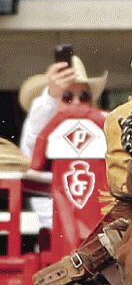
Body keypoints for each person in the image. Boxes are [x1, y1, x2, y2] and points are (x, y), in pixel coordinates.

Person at [19, 55, 107, 229]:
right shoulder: (41, 127)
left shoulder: (102, 127)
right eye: (67, 96)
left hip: (100, 231)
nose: (76, 102)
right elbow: (33, 135)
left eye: (83, 96)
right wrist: (51, 96)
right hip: (55, 231)